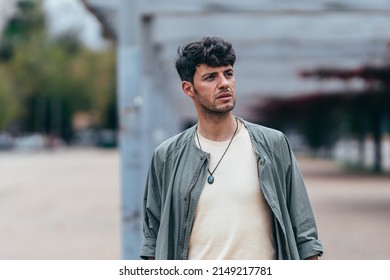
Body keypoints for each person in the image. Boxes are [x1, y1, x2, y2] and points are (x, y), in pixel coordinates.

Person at [140, 36, 323, 260]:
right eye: (210, 77)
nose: (224, 83)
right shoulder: (167, 156)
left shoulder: (274, 145)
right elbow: (152, 237)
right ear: (188, 89)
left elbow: (304, 231)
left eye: (228, 74)